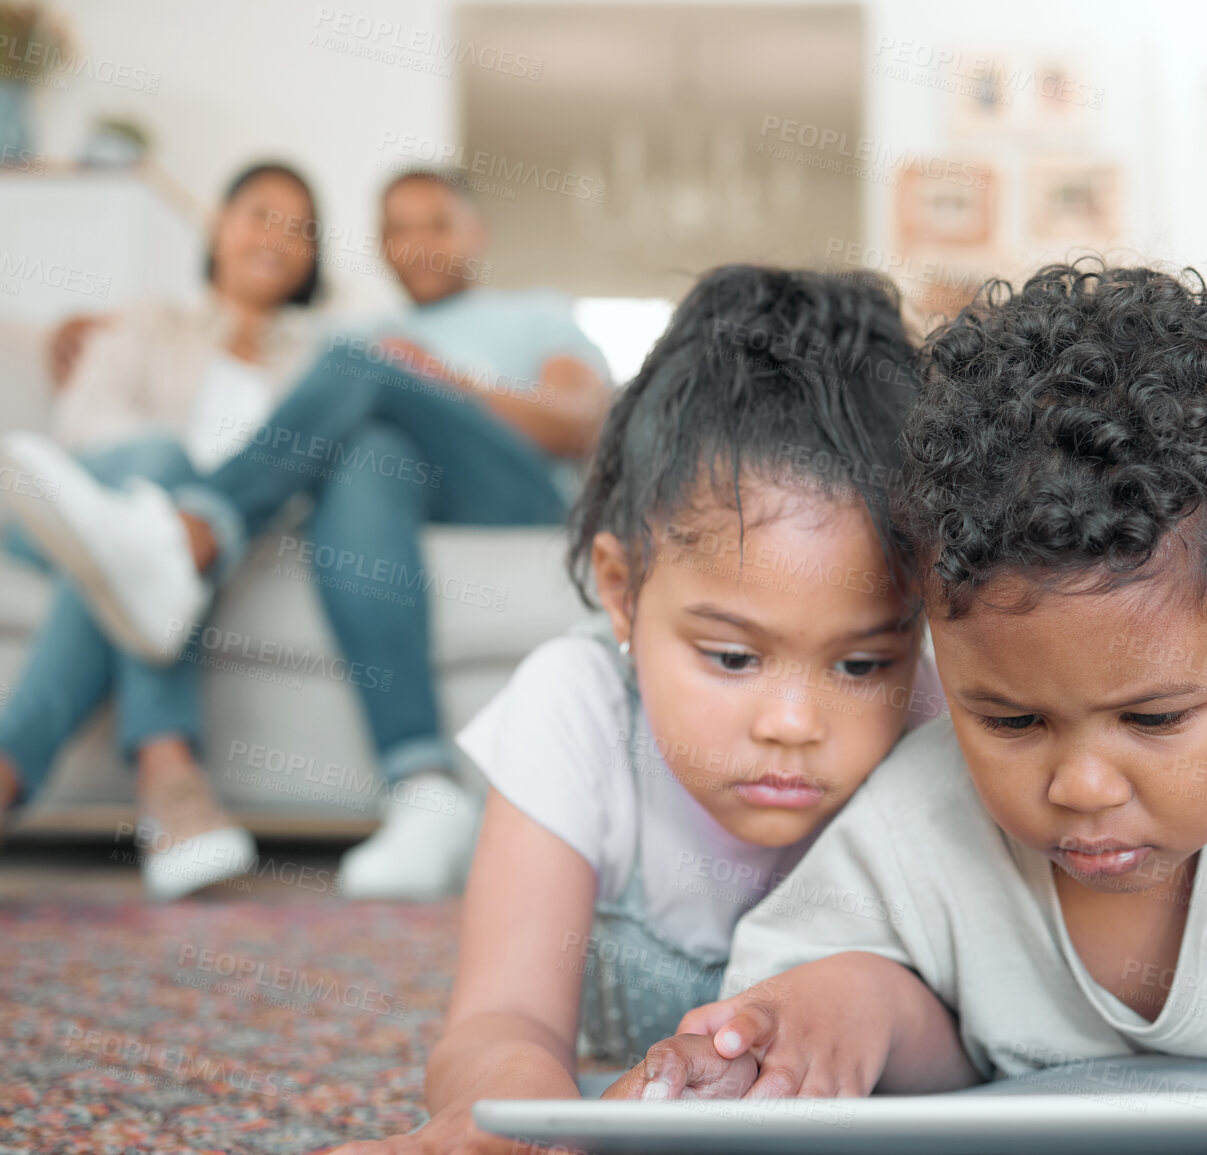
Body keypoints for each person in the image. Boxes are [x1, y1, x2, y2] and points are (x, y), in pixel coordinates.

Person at [611, 263, 1207, 1154]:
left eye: (1152, 719)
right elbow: (891, 1018)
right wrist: (809, 1019)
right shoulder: (916, 810)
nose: (1080, 784)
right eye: (1012, 721)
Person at [328, 265, 943, 1155]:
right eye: (732, 656)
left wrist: (870, 1010)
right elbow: (503, 1014)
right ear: (621, 592)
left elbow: (987, 1031)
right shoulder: (574, 707)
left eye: (860, 662)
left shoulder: (929, 726)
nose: (792, 723)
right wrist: (517, 1111)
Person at [0, 170, 614, 899]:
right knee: (368, 453)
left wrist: (441, 380)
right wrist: (84, 328)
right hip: (405, 491)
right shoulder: (356, 335)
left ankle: (190, 540)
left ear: (476, 232)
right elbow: (246, 363)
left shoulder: (527, 315)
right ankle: (424, 790)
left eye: (437, 224)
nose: (416, 243)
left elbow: (578, 422)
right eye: (396, 228)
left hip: (510, 488)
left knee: (363, 369)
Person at [0, 162, 324, 901]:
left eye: (300, 228)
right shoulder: (147, 321)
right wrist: (179, 493)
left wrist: (184, 520)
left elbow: (291, 493)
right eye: (261, 213)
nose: (278, 236)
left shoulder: (308, 369)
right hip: (66, 517)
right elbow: (82, 422)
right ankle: (169, 774)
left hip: (190, 553)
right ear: (219, 228)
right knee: (163, 474)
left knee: (144, 566)